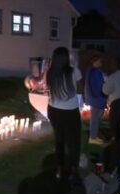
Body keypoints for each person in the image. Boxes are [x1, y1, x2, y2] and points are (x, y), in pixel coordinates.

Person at [46, 47, 82, 184]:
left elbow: (50, 88)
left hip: (53, 109)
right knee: (73, 141)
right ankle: (73, 169)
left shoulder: (50, 72)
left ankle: (59, 169)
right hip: (70, 111)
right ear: (67, 58)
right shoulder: (74, 71)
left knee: (59, 139)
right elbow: (78, 88)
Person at [84, 54, 107, 145]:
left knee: (95, 118)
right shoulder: (95, 72)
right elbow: (97, 86)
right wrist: (102, 95)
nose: (101, 62)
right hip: (97, 98)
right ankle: (93, 137)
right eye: (99, 60)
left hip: (95, 98)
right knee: (95, 118)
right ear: (95, 61)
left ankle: (93, 136)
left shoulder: (91, 71)